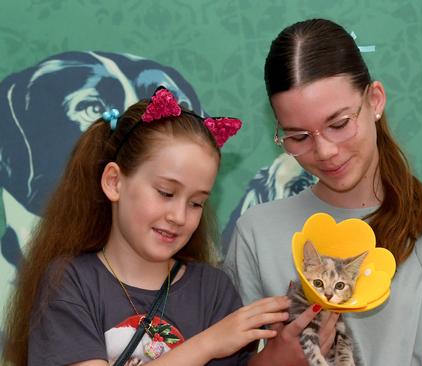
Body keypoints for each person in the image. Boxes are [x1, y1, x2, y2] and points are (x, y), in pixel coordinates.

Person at [224, 18, 422, 365]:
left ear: (375, 100)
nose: (325, 151)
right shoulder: (255, 233)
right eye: (298, 136)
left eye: (339, 124)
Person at [2, 87, 295, 366]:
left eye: (196, 203)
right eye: (166, 193)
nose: (179, 216)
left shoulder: (215, 290)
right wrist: (208, 344)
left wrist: (282, 353)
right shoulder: (69, 282)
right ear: (114, 182)